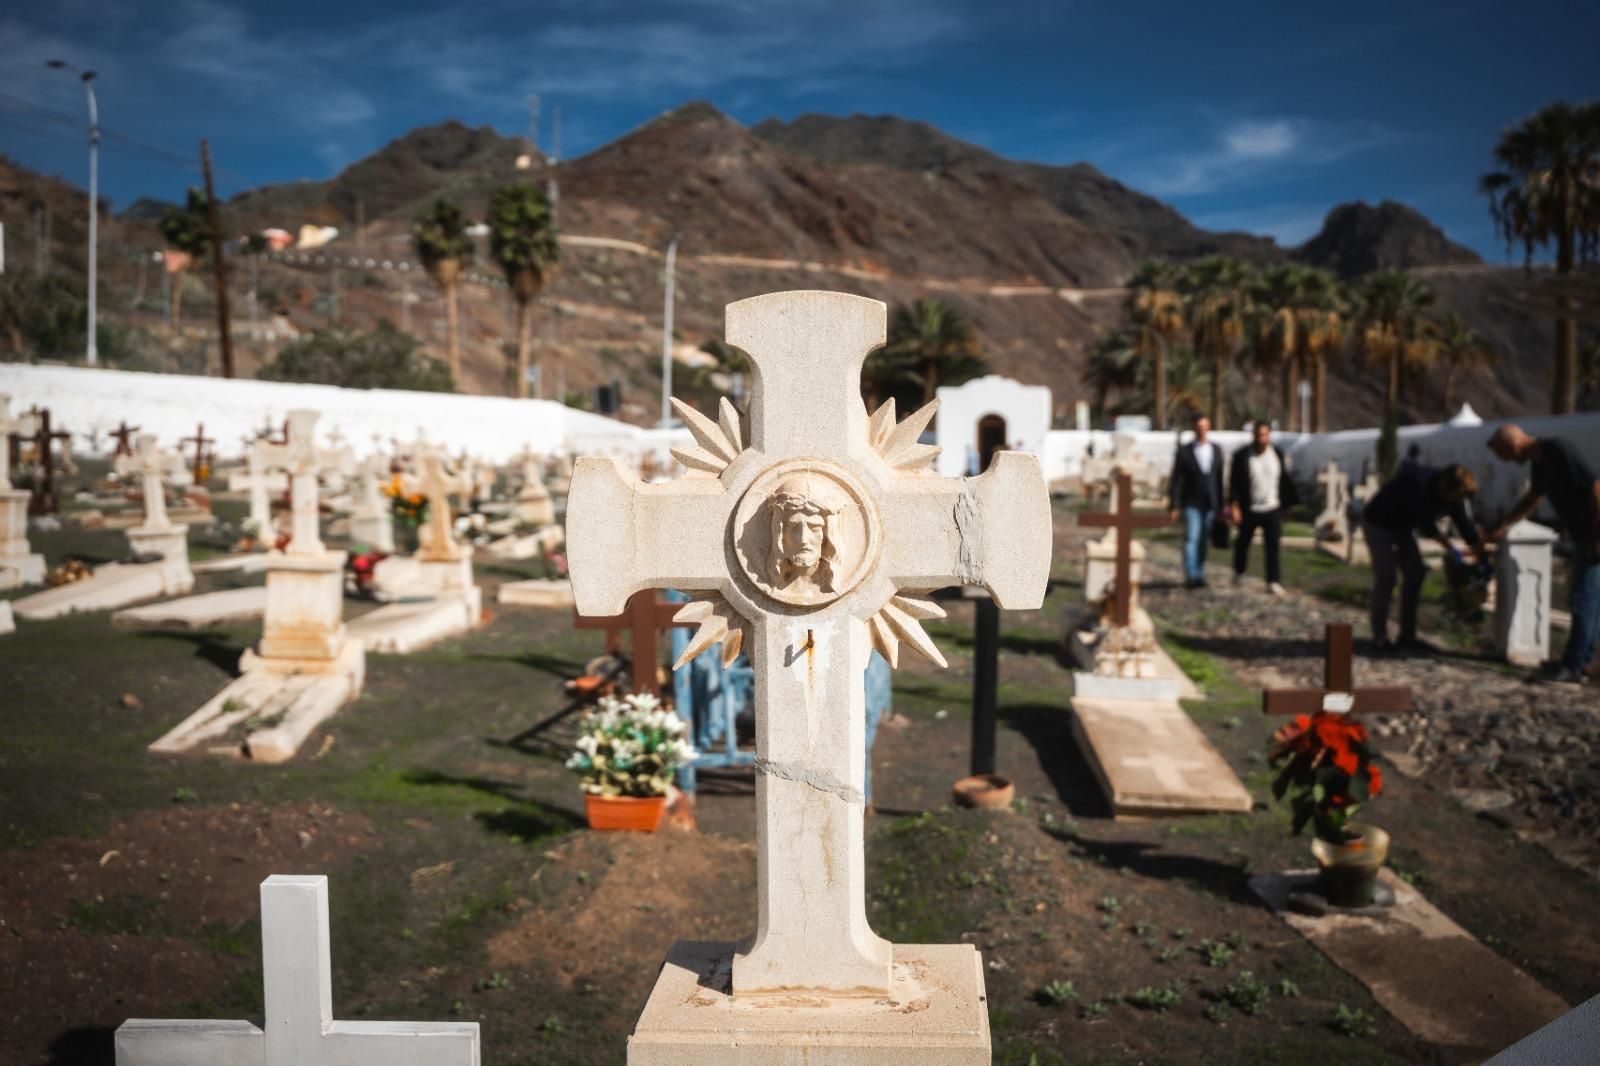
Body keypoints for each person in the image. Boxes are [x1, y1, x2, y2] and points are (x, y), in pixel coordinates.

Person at [1484, 424, 1600, 685]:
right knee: (1590, 599)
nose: (1508, 462)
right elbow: (1534, 497)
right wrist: (1505, 525)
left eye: (1505, 456)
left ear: (1513, 446)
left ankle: (1573, 665)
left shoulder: (1558, 449)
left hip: (1592, 534)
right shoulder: (1540, 461)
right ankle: (1581, 661)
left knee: (1583, 599)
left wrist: (1596, 536)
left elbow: (1595, 486)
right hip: (1583, 535)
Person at [1362, 462, 1484, 653]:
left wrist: (1479, 549)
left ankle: (1407, 635)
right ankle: (1380, 637)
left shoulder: (1455, 496)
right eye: (1456, 496)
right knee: (1386, 577)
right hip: (1379, 522)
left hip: (1402, 527)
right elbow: (1426, 525)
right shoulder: (1417, 483)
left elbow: (1464, 524)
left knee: (1416, 573)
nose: (1456, 501)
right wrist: (1454, 550)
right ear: (1446, 487)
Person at [1229, 421, 1299, 596]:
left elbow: (1284, 481)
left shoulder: (1277, 454)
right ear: (1253, 435)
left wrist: (1287, 506)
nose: (1262, 438)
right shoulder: (1242, 455)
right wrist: (1234, 505)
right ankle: (1239, 572)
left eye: (1265, 435)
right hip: (1249, 508)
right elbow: (1234, 484)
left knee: (1273, 546)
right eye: (1259, 435)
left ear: (1269, 435)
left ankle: (1273, 581)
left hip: (1272, 507)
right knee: (1243, 542)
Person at [1168, 414, 1224, 589]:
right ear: (1194, 428)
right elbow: (1176, 479)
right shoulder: (1185, 451)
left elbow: (1219, 479)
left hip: (1210, 502)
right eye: (1199, 427)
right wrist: (1174, 504)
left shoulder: (1216, 449)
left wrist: (1221, 504)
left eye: (1205, 426)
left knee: (1203, 539)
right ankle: (1191, 575)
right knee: (1191, 537)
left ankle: (1199, 573)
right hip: (1191, 501)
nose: (1202, 430)